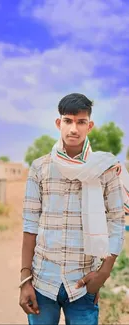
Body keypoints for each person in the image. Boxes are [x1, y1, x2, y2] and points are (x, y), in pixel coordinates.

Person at [19, 93, 126, 325]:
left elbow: (117, 222)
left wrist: (103, 273)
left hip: (83, 283)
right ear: (59, 123)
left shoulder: (104, 169)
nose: (74, 128)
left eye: (81, 122)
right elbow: (30, 224)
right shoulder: (40, 168)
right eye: (68, 121)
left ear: (90, 125)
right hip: (42, 281)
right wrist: (24, 280)